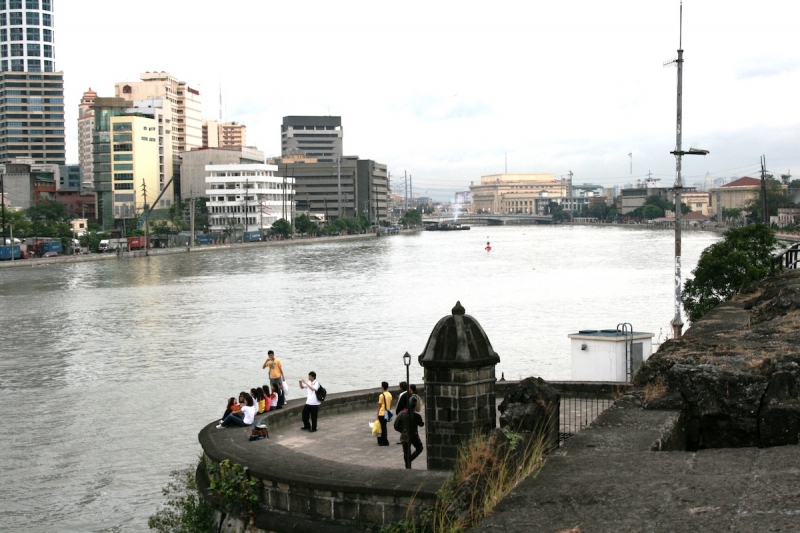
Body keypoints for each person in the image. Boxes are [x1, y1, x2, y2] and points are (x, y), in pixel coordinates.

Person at [393, 396, 425, 469]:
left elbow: (395, 426)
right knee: (419, 448)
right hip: (414, 436)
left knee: (406, 453)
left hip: (404, 436)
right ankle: (409, 461)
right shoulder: (417, 416)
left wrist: (402, 430)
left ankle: (408, 463)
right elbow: (421, 424)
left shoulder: (401, 414)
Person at [376, 381, 392, 446]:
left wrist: (377, 413)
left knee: (382, 427)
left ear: (382, 387)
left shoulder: (381, 395)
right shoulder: (390, 394)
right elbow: (390, 404)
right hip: (387, 412)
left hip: (382, 413)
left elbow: (379, 405)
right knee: (384, 426)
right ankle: (384, 439)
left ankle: (383, 440)